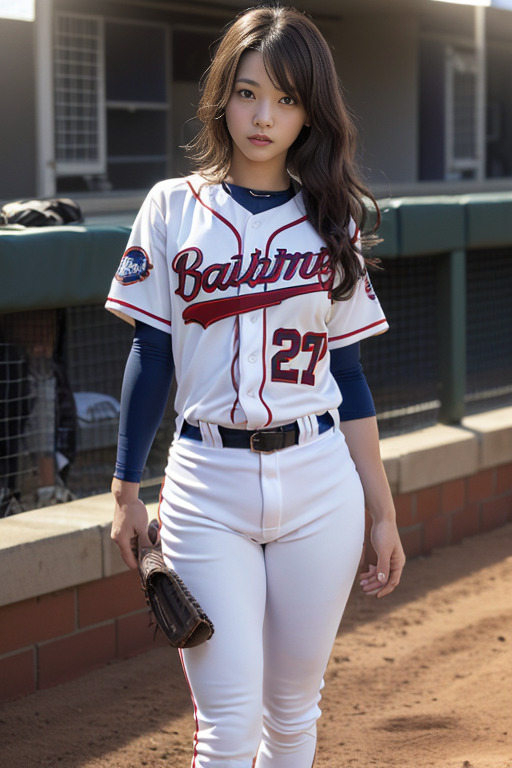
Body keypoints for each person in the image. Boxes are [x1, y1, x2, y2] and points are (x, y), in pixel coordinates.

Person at [106, 6, 406, 767]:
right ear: (221, 99)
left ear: (311, 111)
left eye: (285, 98)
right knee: (228, 724)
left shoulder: (331, 219)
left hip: (319, 480)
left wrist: (381, 506)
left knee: (293, 714)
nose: (263, 115)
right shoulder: (173, 206)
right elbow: (152, 352)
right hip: (208, 481)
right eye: (246, 93)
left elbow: (348, 374)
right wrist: (125, 490)